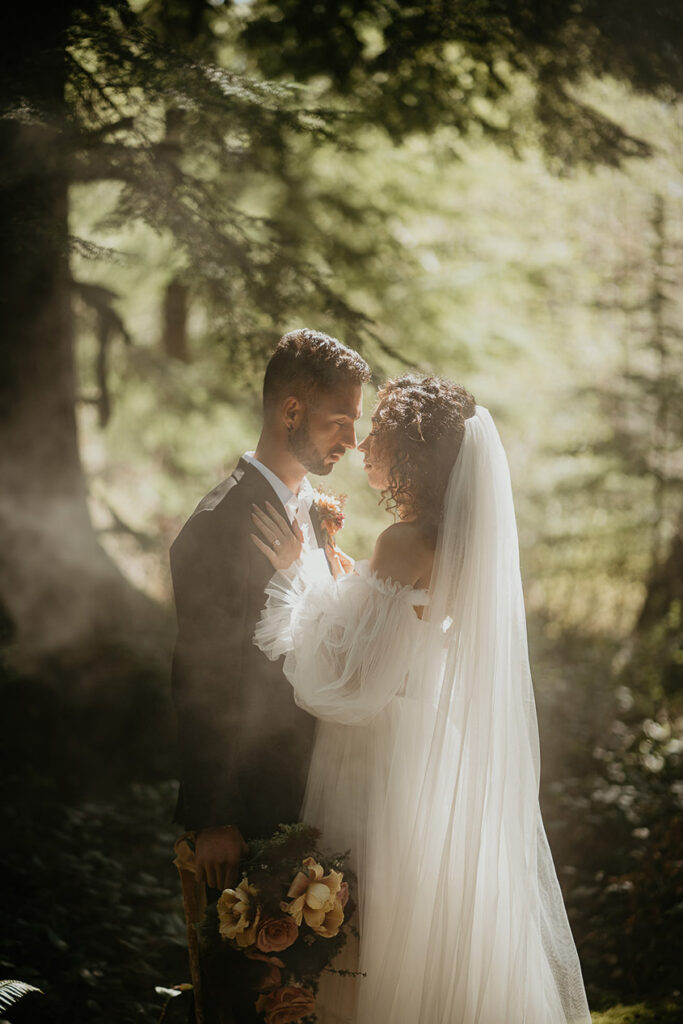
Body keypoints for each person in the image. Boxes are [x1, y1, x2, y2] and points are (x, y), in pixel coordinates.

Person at [252, 374, 592, 1024]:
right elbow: (394, 632)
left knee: (372, 926)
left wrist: (294, 574)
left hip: (375, 752)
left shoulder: (404, 542)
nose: (361, 446)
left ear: (411, 452)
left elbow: (348, 683)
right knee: (424, 922)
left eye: (376, 434)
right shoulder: (448, 542)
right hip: (425, 741)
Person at [169, 327, 370, 892]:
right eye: (340, 420)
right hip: (252, 811)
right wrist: (214, 818)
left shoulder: (312, 513)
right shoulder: (215, 526)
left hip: (320, 794)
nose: (352, 440)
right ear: (291, 411)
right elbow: (201, 680)